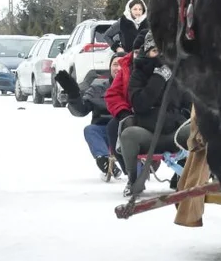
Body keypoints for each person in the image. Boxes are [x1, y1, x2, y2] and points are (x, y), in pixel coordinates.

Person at [119, 32, 191, 194]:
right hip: (148, 133)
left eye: (163, 51)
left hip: (175, 132)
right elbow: (139, 105)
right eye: (155, 51)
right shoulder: (139, 73)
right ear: (147, 51)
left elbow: (189, 104)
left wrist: (179, 118)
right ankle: (134, 180)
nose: (159, 56)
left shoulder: (179, 73)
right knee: (128, 134)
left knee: (199, 129)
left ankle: (186, 175)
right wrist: (158, 79)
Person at [56, 55, 124, 177]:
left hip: (127, 132)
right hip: (104, 130)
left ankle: (139, 167)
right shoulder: (98, 88)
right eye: (115, 64)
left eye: (122, 64)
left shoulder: (134, 87)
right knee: (90, 130)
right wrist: (73, 94)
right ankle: (104, 160)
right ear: (109, 67)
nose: (118, 68)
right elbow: (81, 111)